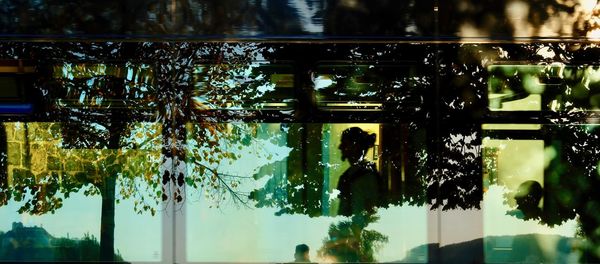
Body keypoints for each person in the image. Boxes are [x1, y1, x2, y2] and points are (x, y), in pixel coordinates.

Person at [336, 127, 381, 217]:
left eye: (344, 143)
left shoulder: (367, 177)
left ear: (355, 146)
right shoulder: (351, 175)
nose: (340, 147)